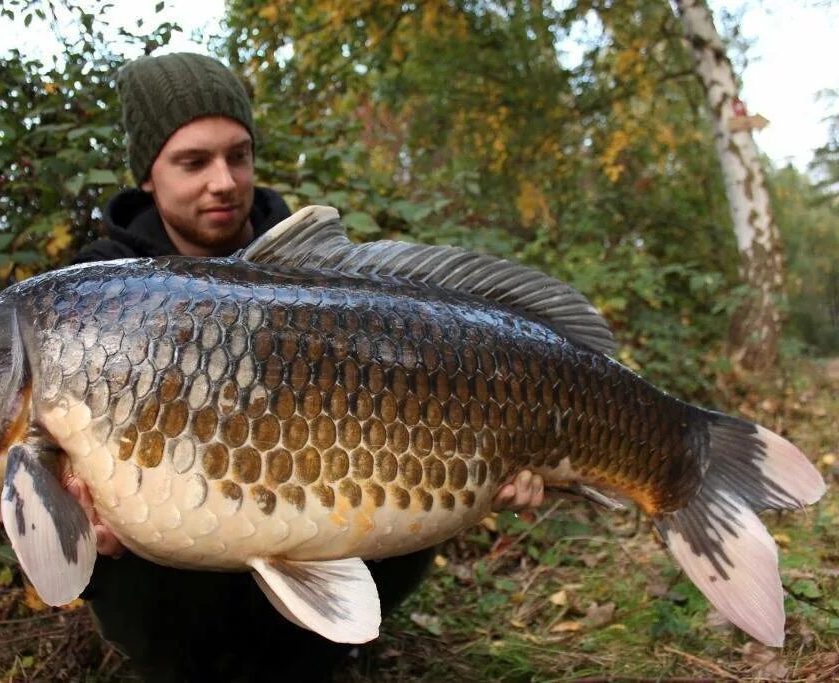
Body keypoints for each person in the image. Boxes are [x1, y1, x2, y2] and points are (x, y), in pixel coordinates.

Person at [38, 52, 545, 681]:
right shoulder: (91, 295)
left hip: (328, 514)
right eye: (194, 162)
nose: (223, 181)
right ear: (148, 173)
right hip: (175, 586)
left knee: (412, 462)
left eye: (238, 155)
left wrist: (495, 463)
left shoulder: (319, 270)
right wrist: (75, 515)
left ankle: (325, 659)